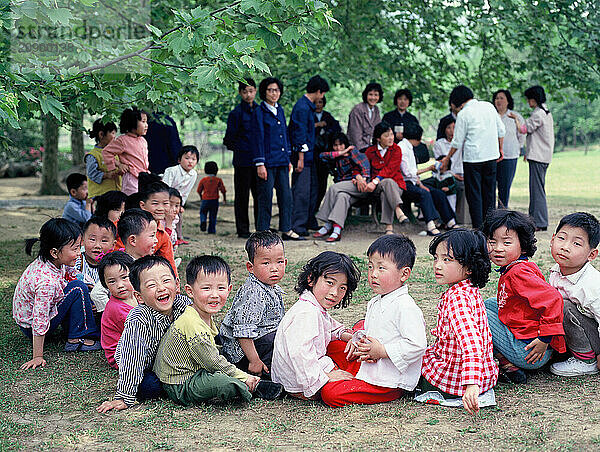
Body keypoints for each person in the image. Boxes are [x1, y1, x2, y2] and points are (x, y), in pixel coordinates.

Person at [153, 255, 283, 405]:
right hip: (181, 382)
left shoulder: (201, 314)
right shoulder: (192, 324)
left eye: (220, 288)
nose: (214, 295)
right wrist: (244, 377)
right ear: (189, 291)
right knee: (224, 383)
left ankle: (245, 379)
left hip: (198, 369)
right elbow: (213, 363)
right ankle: (253, 386)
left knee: (225, 363)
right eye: (206, 288)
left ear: (229, 290)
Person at [320, 235, 427, 407]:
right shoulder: (376, 301)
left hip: (388, 380)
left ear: (404, 273)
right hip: (370, 362)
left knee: (330, 394)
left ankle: (351, 381)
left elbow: (417, 345)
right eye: (370, 267)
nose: (373, 274)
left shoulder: (405, 306)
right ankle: (348, 374)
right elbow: (373, 332)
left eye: (381, 268)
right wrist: (359, 341)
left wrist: (382, 351)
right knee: (332, 345)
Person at [96, 256, 190, 413]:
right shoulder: (138, 318)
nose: (161, 288)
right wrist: (124, 397)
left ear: (177, 284)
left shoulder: (184, 305)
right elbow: (132, 358)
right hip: (145, 363)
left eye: (166, 281)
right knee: (149, 387)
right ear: (139, 296)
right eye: (151, 285)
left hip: (171, 359)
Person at [482, 209, 566, 384]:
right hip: (529, 343)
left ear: (523, 244)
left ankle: (507, 364)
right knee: (489, 304)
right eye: (492, 241)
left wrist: (544, 339)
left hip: (529, 351)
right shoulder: (518, 266)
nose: (498, 248)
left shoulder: (518, 273)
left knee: (476, 312)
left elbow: (553, 299)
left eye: (506, 242)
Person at [419, 229, 497, 415]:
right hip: (483, 373)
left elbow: (472, 344)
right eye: (436, 258)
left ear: (469, 267)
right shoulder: (469, 289)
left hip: (454, 378)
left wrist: (471, 385)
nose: (438, 265)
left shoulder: (457, 299)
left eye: (447, 260)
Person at [271, 251, 360, 401]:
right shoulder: (306, 313)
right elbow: (300, 354)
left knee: (344, 344)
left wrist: (351, 337)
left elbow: (332, 328)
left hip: (310, 369)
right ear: (311, 279)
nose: (334, 293)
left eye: (342, 288)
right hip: (301, 381)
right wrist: (325, 377)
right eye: (330, 283)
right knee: (348, 384)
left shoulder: (315, 306)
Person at [13, 218, 100, 370]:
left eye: (79, 247)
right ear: (54, 252)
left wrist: (94, 290)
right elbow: (39, 318)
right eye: (74, 249)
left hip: (36, 318)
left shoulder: (53, 262)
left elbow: (74, 275)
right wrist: (37, 356)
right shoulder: (46, 282)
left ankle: (76, 329)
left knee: (80, 287)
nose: (79, 253)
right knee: (78, 289)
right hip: (32, 327)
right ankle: (77, 338)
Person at [219, 232, 286, 378]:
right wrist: (254, 361)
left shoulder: (270, 286)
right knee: (277, 340)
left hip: (261, 340)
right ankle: (260, 377)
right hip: (244, 352)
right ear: (250, 267)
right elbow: (243, 331)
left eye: (279, 262)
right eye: (266, 263)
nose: (274, 268)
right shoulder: (254, 292)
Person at [440, 85, 506, 229]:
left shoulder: (464, 114)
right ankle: (490, 227)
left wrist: (447, 158)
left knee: (474, 194)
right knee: (489, 193)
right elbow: (501, 130)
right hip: (490, 156)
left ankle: (478, 227)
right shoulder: (489, 106)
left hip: (473, 159)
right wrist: (500, 148)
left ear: (458, 102)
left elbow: (457, 141)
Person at [548, 212, 600, 376]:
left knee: (563, 306)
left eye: (576, 243)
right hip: (579, 331)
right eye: (561, 238)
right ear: (552, 240)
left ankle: (586, 360)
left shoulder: (591, 285)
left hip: (595, 337)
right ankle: (568, 350)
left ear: (591, 254)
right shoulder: (556, 271)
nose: (565, 247)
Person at [251, 77, 302, 241]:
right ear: (264, 92)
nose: (274, 93)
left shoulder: (279, 110)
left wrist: (288, 158)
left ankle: (286, 229)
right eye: (270, 90)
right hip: (267, 162)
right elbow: (257, 138)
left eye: (277, 90)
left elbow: (285, 135)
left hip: (281, 161)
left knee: (286, 196)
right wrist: (260, 163)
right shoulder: (259, 111)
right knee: (265, 197)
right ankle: (262, 233)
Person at [90, 208, 158, 312]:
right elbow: (97, 293)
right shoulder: (120, 265)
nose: (156, 240)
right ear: (133, 240)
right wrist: (111, 311)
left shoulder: (148, 263)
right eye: (152, 235)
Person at [508, 85, 554, 231]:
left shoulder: (538, 114)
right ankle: (534, 220)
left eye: (529, 99)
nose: (528, 102)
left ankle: (539, 221)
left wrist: (515, 118)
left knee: (537, 190)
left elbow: (523, 129)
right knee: (536, 188)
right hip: (543, 156)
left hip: (539, 157)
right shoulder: (546, 112)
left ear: (534, 99)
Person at [289, 75, 330, 237]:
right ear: (319, 91)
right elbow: (299, 134)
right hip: (303, 157)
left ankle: (306, 222)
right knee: (301, 192)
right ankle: (297, 226)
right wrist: (300, 158)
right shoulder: (302, 107)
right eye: (323, 93)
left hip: (310, 157)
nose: (323, 97)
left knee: (311, 190)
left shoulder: (308, 107)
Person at [399, 123, 457, 235]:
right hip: (403, 183)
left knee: (437, 193)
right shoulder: (403, 148)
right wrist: (429, 168)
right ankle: (431, 226)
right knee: (424, 194)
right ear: (418, 138)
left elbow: (413, 174)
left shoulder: (409, 147)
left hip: (413, 182)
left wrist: (421, 184)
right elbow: (408, 172)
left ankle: (450, 222)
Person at [313, 132, 371, 242]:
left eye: (341, 145)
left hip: (357, 185)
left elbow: (365, 166)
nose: (338, 147)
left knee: (333, 188)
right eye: (335, 145)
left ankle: (327, 223)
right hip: (345, 189)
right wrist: (341, 152)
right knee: (342, 196)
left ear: (346, 144)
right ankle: (336, 231)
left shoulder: (352, 152)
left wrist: (362, 178)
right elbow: (322, 156)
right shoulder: (336, 156)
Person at [224, 78, 260, 239]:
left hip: (260, 162)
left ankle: (261, 228)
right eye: (245, 91)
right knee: (242, 196)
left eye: (251, 91)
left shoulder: (261, 111)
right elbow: (228, 140)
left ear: (256, 91)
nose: (248, 94)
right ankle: (243, 229)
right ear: (240, 93)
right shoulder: (235, 114)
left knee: (260, 195)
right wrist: (242, 149)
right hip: (242, 161)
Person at [364, 122, 409, 235]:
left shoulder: (397, 149)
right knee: (386, 184)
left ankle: (389, 227)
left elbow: (390, 169)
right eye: (386, 135)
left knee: (387, 188)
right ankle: (398, 210)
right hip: (376, 187)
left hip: (396, 186)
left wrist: (376, 180)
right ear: (378, 138)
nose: (390, 138)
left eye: (391, 134)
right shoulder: (370, 151)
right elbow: (363, 167)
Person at [98, 251, 137, 368]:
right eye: (112, 281)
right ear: (105, 285)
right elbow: (141, 332)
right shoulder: (116, 309)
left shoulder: (136, 295)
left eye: (124, 277)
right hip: (122, 356)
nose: (120, 285)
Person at [102, 107, 149, 195]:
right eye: (143, 122)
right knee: (131, 200)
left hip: (143, 176)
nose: (146, 125)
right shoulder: (123, 140)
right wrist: (118, 165)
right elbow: (106, 152)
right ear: (132, 123)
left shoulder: (143, 140)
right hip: (131, 177)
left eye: (146, 121)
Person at [493, 90, 525, 208]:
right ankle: (491, 213)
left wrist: (519, 148)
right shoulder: (491, 116)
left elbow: (522, 134)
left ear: (508, 101)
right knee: (491, 186)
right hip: (492, 156)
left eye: (502, 98)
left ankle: (502, 211)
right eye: (497, 98)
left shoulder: (515, 116)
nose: (499, 101)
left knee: (504, 187)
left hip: (510, 156)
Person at [161, 145, 199, 244]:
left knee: (179, 216)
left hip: (178, 200)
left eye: (193, 159)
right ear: (179, 160)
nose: (190, 161)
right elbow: (165, 187)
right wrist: (166, 203)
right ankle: (164, 236)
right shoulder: (172, 171)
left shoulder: (193, 174)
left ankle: (178, 237)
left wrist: (180, 205)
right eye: (187, 158)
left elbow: (186, 192)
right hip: (165, 197)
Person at [427, 116, 464, 213]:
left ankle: (452, 215)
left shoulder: (462, 143)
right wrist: (453, 174)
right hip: (444, 174)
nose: (452, 131)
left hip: (460, 174)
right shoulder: (439, 144)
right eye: (449, 128)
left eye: (455, 128)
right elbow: (441, 165)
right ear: (444, 130)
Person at [73, 216, 117, 291]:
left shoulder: (113, 266)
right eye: (92, 240)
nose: (97, 245)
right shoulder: (76, 261)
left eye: (104, 241)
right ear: (82, 240)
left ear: (113, 245)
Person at [313, 95, 342, 206]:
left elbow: (336, 129)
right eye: (316, 102)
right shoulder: (309, 115)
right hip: (313, 154)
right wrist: (316, 125)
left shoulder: (328, 116)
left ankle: (317, 205)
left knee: (322, 183)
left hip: (325, 155)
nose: (318, 105)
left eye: (320, 102)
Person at [85, 118, 121, 199]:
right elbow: (92, 174)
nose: (115, 137)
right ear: (101, 134)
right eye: (112, 133)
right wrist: (107, 175)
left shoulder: (115, 153)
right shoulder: (93, 155)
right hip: (100, 196)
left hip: (115, 194)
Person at [347, 82, 383, 151]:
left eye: (376, 95)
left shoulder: (376, 110)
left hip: (372, 147)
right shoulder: (357, 110)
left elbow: (378, 131)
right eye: (370, 94)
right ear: (366, 95)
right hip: (358, 149)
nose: (373, 98)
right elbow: (355, 136)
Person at [196, 161, 227, 235]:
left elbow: (199, 190)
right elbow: (223, 190)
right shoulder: (218, 180)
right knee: (213, 215)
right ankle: (212, 230)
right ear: (216, 170)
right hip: (214, 200)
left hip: (205, 200)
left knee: (203, 212)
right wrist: (224, 199)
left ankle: (203, 221)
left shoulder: (203, 180)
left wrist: (201, 197)